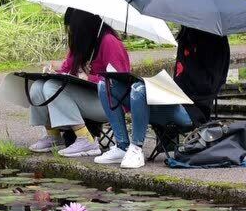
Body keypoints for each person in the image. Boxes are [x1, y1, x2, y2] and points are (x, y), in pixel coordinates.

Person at [95, 26, 230, 168]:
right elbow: (179, 80)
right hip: (172, 100)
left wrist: (172, 88)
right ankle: (122, 146)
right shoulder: (187, 35)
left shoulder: (216, 40)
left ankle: (136, 148)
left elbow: (210, 86)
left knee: (140, 90)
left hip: (192, 111)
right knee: (106, 85)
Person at [29, 8, 131, 157]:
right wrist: (52, 70)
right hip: (88, 97)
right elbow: (67, 69)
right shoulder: (82, 42)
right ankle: (53, 136)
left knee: (53, 87)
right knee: (38, 85)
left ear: (83, 27)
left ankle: (86, 140)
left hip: (111, 104)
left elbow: (121, 82)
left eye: (73, 29)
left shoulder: (109, 42)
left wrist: (91, 78)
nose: (70, 33)